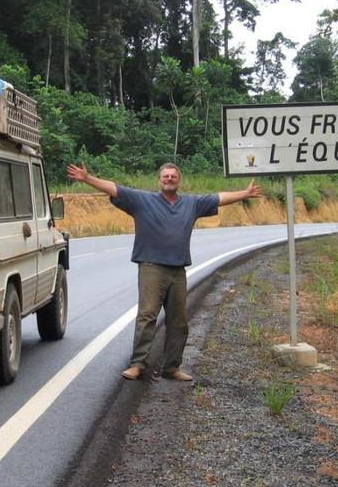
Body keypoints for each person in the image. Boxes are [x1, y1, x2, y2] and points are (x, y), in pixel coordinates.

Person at [66, 162, 262, 381]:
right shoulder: (142, 200)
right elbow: (114, 188)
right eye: (166, 176)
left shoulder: (191, 203)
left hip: (178, 270)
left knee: (179, 321)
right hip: (151, 267)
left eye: (173, 176)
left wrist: (245, 193)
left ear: (179, 181)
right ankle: (138, 364)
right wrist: (87, 178)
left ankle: (172, 367)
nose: (169, 179)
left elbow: (219, 198)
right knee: (147, 316)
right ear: (159, 180)